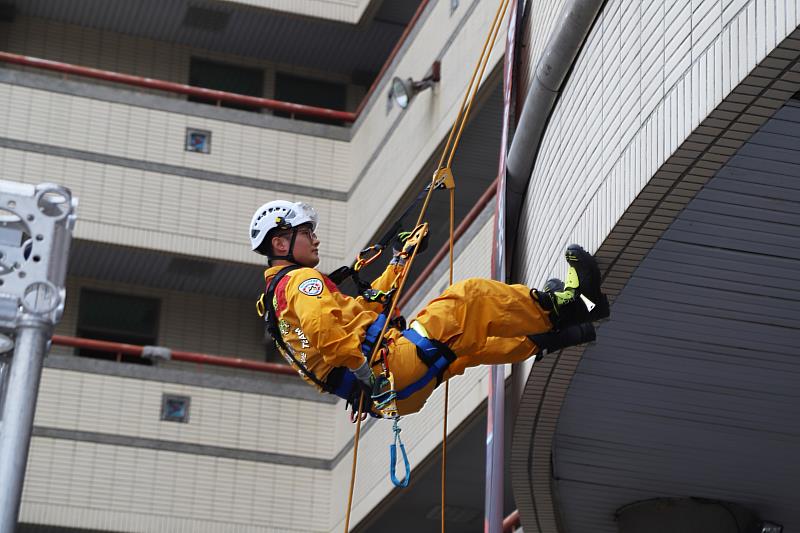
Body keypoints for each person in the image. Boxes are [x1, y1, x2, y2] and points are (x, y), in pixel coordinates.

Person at [251, 200, 608, 416]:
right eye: (306, 232)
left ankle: (552, 336)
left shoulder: (276, 302)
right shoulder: (299, 282)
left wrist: (399, 261)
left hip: (390, 399)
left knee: (466, 345)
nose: (315, 238)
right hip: (387, 371)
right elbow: (326, 333)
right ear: (281, 242)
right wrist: (364, 372)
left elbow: (364, 312)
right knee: (468, 299)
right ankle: (567, 307)